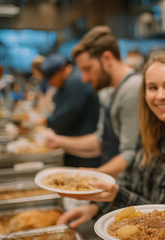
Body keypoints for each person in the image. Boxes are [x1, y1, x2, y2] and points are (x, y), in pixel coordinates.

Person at [56, 53, 165, 229]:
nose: (160, 96)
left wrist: (117, 195)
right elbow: (129, 181)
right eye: (152, 88)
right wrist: (95, 208)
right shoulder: (155, 135)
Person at [45, 26, 142, 177]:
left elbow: (130, 153)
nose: (84, 78)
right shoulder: (107, 91)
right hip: (112, 180)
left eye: (88, 69)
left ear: (107, 59)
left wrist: (96, 175)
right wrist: (57, 141)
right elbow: (98, 142)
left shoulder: (132, 89)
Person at [40, 54, 101, 168]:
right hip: (75, 147)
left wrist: (47, 121)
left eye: (51, 79)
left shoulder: (75, 82)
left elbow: (66, 116)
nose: (50, 83)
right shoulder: (67, 81)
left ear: (61, 70)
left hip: (83, 153)